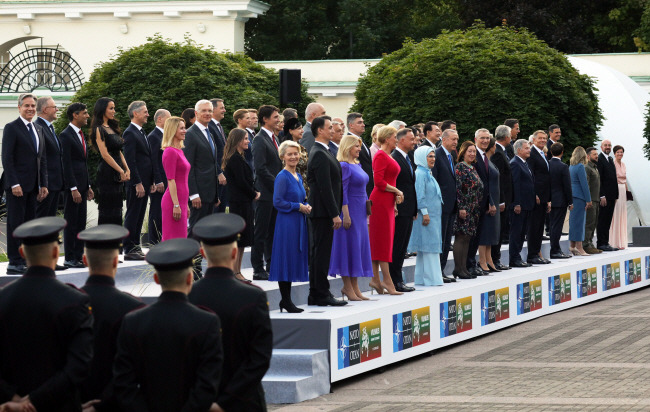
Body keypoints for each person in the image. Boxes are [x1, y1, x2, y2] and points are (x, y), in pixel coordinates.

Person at [113, 238, 222, 411]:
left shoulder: (133, 322)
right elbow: (207, 387)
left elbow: (123, 384)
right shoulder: (206, 322)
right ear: (189, 278)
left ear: (156, 278)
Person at [0, 217, 92, 411]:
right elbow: (79, 365)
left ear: (22, 253)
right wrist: (34, 400)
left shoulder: (3, 298)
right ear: (56, 252)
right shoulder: (75, 301)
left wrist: (14, 398)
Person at [189, 213, 273, 411]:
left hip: (198, 403)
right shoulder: (253, 297)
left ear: (202, 252)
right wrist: (226, 401)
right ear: (235, 254)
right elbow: (259, 359)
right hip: (244, 402)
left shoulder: (188, 296)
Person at [78, 225, 145, 411]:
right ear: (116, 261)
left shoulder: (66, 303)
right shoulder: (134, 308)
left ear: (84, 260)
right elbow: (132, 369)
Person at [2, 93, 48, 274]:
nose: (30, 109)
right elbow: (7, 158)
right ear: (19, 107)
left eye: (32, 106)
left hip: (34, 186)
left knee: (30, 224)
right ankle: (14, 261)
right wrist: (14, 184)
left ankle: (26, 259)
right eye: (26, 106)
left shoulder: (38, 129)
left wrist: (43, 183)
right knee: (16, 223)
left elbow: (41, 159)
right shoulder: (11, 128)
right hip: (17, 187)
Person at [307, 116, 347, 306]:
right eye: (330, 127)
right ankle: (321, 293)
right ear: (320, 130)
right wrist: (334, 213)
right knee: (321, 254)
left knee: (321, 253)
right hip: (323, 212)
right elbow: (324, 187)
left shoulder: (325, 151)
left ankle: (317, 293)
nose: (333, 130)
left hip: (325, 211)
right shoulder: (319, 153)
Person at [269, 141, 311, 311]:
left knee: (293, 256)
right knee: (286, 258)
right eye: (290, 154)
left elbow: (300, 198)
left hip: (298, 221)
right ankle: (285, 300)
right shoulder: (282, 176)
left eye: (296, 153)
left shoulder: (298, 176)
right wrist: (298, 206)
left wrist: (305, 205)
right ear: (282, 157)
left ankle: (287, 300)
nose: (294, 157)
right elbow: (278, 202)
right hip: (287, 223)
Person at [329, 135, 373, 300]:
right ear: (347, 148)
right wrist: (345, 214)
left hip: (360, 210)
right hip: (350, 211)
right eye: (356, 147)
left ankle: (355, 288)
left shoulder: (357, 164)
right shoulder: (344, 166)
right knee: (348, 247)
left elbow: (363, 187)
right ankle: (347, 287)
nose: (359, 150)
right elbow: (343, 192)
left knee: (358, 248)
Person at [184, 99, 219, 277]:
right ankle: (192, 270)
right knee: (196, 232)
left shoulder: (209, 132)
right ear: (196, 114)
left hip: (210, 192)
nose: (207, 113)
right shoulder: (191, 134)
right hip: (198, 194)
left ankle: (199, 269)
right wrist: (193, 193)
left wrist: (215, 194)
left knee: (205, 232)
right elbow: (188, 167)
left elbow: (211, 164)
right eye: (203, 111)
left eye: (209, 110)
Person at [368, 126, 404, 295]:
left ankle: (376, 279)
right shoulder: (380, 155)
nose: (397, 139)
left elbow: (388, 181)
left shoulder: (387, 155)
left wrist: (395, 201)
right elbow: (379, 182)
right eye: (395, 136)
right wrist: (397, 191)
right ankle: (387, 281)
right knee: (382, 241)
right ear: (387, 138)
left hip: (387, 202)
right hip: (380, 201)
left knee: (382, 241)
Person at [251, 105, 283, 281]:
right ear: (265, 119)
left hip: (274, 194)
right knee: (261, 231)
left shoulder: (274, 139)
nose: (278, 120)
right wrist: (278, 184)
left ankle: (271, 264)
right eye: (275, 117)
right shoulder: (259, 139)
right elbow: (261, 168)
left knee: (273, 231)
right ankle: (257, 268)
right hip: (265, 193)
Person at [223, 128, 259, 281]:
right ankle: (235, 271)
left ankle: (237, 271)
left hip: (244, 202)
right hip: (239, 203)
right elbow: (241, 182)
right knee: (239, 239)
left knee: (243, 239)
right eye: (245, 139)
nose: (248, 141)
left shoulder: (239, 157)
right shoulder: (235, 159)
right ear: (237, 140)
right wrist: (254, 193)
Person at [61, 103, 94, 269]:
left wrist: (87, 185)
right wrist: (73, 187)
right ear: (75, 115)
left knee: (81, 222)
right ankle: (69, 257)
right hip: (73, 188)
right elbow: (66, 165)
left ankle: (79, 256)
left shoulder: (80, 134)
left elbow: (82, 163)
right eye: (85, 113)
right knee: (71, 221)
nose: (87, 116)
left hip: (82, 185)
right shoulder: (66, 136)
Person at [123, 101, 157, 260]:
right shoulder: (130, 133)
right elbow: (130, 161)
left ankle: (135, 246)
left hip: (144, 182)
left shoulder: (142, 132)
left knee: (139, 214)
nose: (147, 114)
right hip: (137, 183)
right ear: (135, 113)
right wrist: (137, 182)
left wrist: (150, 182)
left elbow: (147, 159)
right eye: (145, 111)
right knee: (133, 214)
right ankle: (129, 248)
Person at [408, 146, 444, 286]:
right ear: (422, 157)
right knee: (429, 247)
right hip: (426, 217)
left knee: (428, 248)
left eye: (434, 156)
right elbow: (419, 195)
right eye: (430, 156)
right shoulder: (421, 173)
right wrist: (425, 213)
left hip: (433, 216)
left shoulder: (427, 172)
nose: (433, 159)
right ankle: (432, 279)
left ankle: (423, 279)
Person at [91, 97, 129, 227]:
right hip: (107, 173)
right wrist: (120, 170)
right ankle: (104, 244)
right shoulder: (98, 129)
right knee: (108, 209)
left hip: (118, 171)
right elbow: (105, 154)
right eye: (111, 108)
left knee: (117, 208)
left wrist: (127, 169)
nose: (114, 111)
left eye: (114, 108)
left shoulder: (112, 127)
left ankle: (116, 243)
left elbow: (118, 151)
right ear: (103, 110)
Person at [390, 128, 418, 292]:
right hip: (399, 210)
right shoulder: (395, 158)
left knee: (402, 246)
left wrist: (413, 209)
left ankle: (398, 279)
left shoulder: (407, 158)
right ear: (401, 140)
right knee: (398, 246)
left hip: (408, 209)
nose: (414, 141)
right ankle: (395, 280)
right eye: (411, 139)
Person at [453, 141, 484, 279]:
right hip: (464, 208)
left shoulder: (472, 167)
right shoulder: (460, 167)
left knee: (468, 238)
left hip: (474, 209)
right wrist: (462, 207)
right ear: (463, 152)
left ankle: (464, 268)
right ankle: (458, 269)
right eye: (469, 151)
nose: (472, 154)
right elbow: (458, 189)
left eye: (474, 152)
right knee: (461, 237)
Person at [467, 129, 496, 276]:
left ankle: (472, 263)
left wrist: (489, 201)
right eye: (482, 138)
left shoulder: (484, 156)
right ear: (475, 138)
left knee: (478, 235)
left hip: (483, 202)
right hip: (474, 203)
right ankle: (470, 264)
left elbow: (486, 182)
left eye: (487, 138)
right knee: (472, 236)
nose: (485, 141)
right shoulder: (474, 155)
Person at [432, 129, 459, 283]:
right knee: (441, 240)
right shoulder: (437, 154)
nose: (455, 142)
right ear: (444, 139)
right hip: (441, 206)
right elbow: (435, 181)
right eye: (453, 139)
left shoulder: (451, 156)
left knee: (447, 240)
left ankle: (441, 270)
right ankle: (438, 271)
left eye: (457, 139)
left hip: (451, 205)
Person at [161, 116, 191, 241]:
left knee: (181, 240)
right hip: (173, 202)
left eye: (185, 128)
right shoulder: (170, 152)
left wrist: (185, 205)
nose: (185, 131)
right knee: (172, 240)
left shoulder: (180, 151)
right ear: (173, 130)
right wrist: (176, 205)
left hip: (181, 202)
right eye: (182, 128)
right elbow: (171, 180)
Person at [35, 96, 64, 219]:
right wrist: (42, 185)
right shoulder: (38, 127)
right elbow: (39, 159)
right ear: (45, 110)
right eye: (54, 107)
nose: (57, 109)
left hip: (55, 184)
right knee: (41, 223)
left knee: (49, 223)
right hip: (46, 186)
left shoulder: (50, 128)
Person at [526, 130, 552, 265]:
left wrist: (548, 198)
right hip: (536, 197)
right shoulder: (532, 154)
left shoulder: (543, 154)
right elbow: (531, 175)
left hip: (543, 196)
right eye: (540, 138)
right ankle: (532, 255)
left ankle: (537, 253)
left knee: (539, 226)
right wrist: (534, 193)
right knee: (534, 226)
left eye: (545, 138)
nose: (543, 140)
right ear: (534, 140)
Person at [509, 139, 535, 268]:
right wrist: (517, 203)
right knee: (517, 232)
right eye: (526, 148)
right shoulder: (515, 163)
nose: (529, 150)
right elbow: (515, 185)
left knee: (522, 232)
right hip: (520, 205)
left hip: (527, 203)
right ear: (519, 150)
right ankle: (514, 257)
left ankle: (517, 255)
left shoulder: (524, 163)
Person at [147, 108, 171, 245]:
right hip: (160, 181)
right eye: (168, 118)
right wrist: (157, 180)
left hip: (166, 180)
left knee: (163, 211)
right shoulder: (154, 136)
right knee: (156, 211)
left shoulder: (164, 136)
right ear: (160, 119)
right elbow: (154, 161)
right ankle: (153, 241)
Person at [490, 125, 512, 270]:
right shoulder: (497, 153)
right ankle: (495, 259)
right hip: (501, 199)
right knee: (498, 231)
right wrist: (502, 200)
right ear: (506, 137)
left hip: (505, 198)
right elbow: (499, 179)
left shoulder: (501, 151)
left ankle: (496, 259)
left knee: (501, 229)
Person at [478, 138, 501, 272]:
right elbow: (485, 183)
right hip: (488, 200)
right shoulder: (484, 161)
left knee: (491, 231)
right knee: (485, 232)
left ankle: (489, 259)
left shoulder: (489, 161)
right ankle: (482, 261)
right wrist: (490, 202)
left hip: (495, 200)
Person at [548, 142, 573, 258]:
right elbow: (567, 186)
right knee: (557, 227)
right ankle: (555, 250)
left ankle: (554, 249)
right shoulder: (563, 167)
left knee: (552, 225)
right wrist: (570, 201)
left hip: (549, 199)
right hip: (560, 200)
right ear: (562, 152)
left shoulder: (547, 164)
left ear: (551, 152)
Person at [569, 146, 592, 256]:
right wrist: (588, 199)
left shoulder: (571, 167)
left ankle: (572, 246)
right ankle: (579, 247)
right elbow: (584, 185)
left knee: (573, 222)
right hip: (580, 197)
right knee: (580, 222)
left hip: (572, 196)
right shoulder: (580, 167)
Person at [597, 139, 619, 251]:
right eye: (605, 145)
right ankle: (601, 243)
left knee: (608, 220)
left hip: (611, 196)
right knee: (602, 220)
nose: (608, 147)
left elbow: (614, 179)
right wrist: (602, 195)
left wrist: (616, 195)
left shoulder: (610, 159)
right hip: (604, 196)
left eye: (609, 145)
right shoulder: (599, 160)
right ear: (601, 147)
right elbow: (599, 179)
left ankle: (606, 242)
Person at [209, 98, 228, 213]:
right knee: (215, 211)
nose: (224, 110)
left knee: (221, 210)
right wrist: (219, 172)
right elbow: (211, 154)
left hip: (223, 175)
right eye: (221, 108)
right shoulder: (210, 127)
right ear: (213, 109)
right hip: (216, 177)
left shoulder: (218, 126)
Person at [284, 117, 309, 196]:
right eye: (299, 128)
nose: (302, 131)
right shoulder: (286, 147)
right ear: (291, 131)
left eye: (302, 128)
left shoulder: (302, 148)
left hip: (304, 189)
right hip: (293, 189)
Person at [584, 147, 602, 254]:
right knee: (589, 223)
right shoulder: (587, 168)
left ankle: (590, 243)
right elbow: (586, 185)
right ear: (588, 156)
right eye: (594, 154)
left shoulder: (595, 167)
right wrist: (588, 199)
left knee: (594, 222)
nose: (596, 156)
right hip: (590, 200)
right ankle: (586, 244)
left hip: (596, 199)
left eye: (597, 154)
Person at [609, 145, 628, 249]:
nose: (620, 154)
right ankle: (614, 241)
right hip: (616, 189)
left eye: (621, 152)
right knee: (615, 214)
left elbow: (625, 179)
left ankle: (622, 241)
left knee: (622, 214)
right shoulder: (612, 163)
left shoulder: (624, 164)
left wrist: (627, 191)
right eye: (618, 152)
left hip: (623, 191)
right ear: (614, 153)